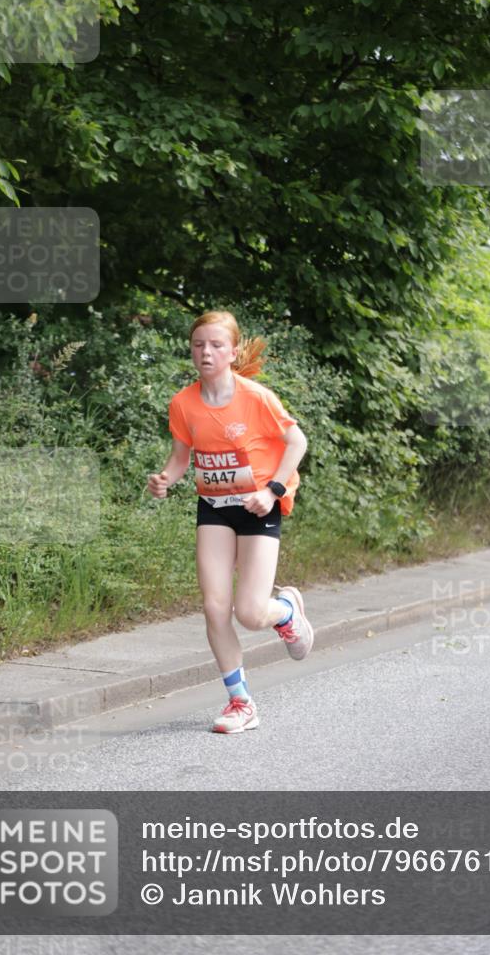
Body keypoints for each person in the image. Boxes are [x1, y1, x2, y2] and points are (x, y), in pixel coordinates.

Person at [147, 310, 313, 734]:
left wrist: (272, 490)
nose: (206, 352)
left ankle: (287, 612)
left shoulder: (255, 397)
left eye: (216, 345)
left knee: (251, 613)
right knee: (215, 607)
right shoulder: (184, 402)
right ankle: (241, 703)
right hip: (215, 508)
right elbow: (182, 456)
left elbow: (297, 441)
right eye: (199, 344)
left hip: (259, 505)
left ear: (233, 351)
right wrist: (166, 478)